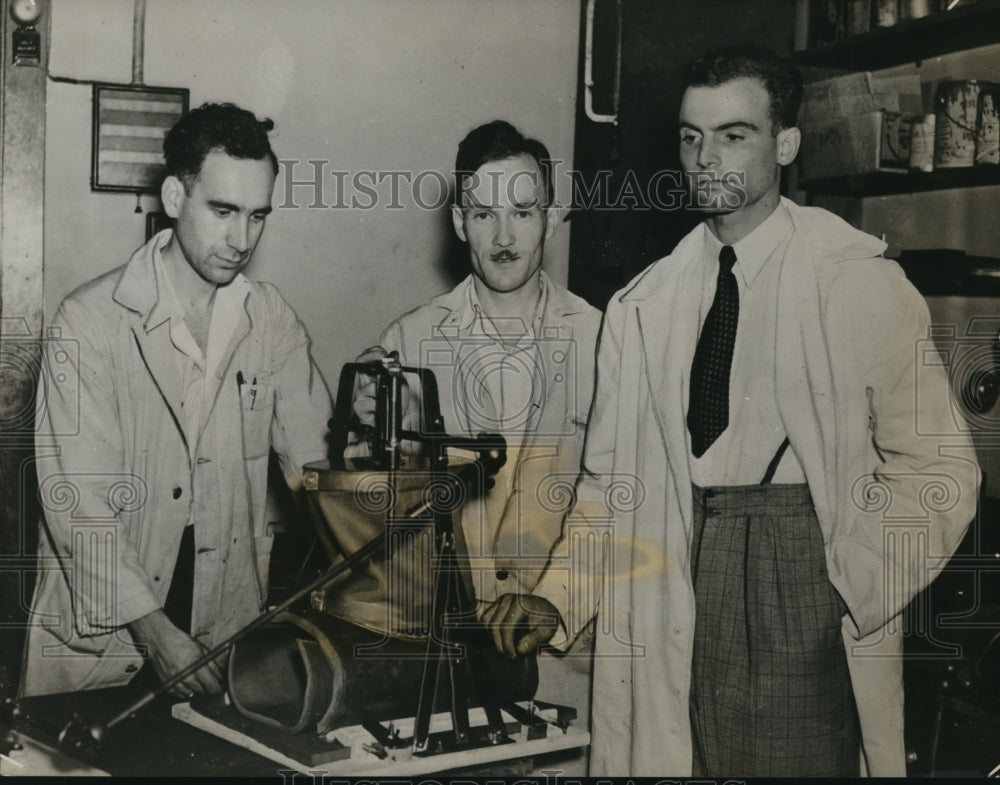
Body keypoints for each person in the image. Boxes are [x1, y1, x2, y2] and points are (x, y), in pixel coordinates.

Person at [482, 46, 981, 776]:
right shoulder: (643, 303)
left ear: (786, 144)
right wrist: (557, 598)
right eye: (691, 136)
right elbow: (611, 490)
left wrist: (848, 585)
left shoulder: (859, 284)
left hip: (801, 585)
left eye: (733, 134)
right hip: (667, 582)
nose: (705, 158)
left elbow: (941, 470)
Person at [22, 103, 333, 699]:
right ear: (173, 196)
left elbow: (318, 470)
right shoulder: (88, 322)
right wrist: (156, 633)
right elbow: (80, 506)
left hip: (225, 636)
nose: (242, 240)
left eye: (257, 216)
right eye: (223, 211)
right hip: (105, 641)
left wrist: (368, 447)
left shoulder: (269, 319)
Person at [351, 120, 601, 759]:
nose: (504, 236)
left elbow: (619, 500)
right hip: (439, 669)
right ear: (460, 222)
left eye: (523, 211)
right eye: (484, 213)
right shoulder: (407, 342)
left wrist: (555, 601)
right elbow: (366, 516)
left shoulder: (605, 341)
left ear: (552, 217)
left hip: (565, 654)